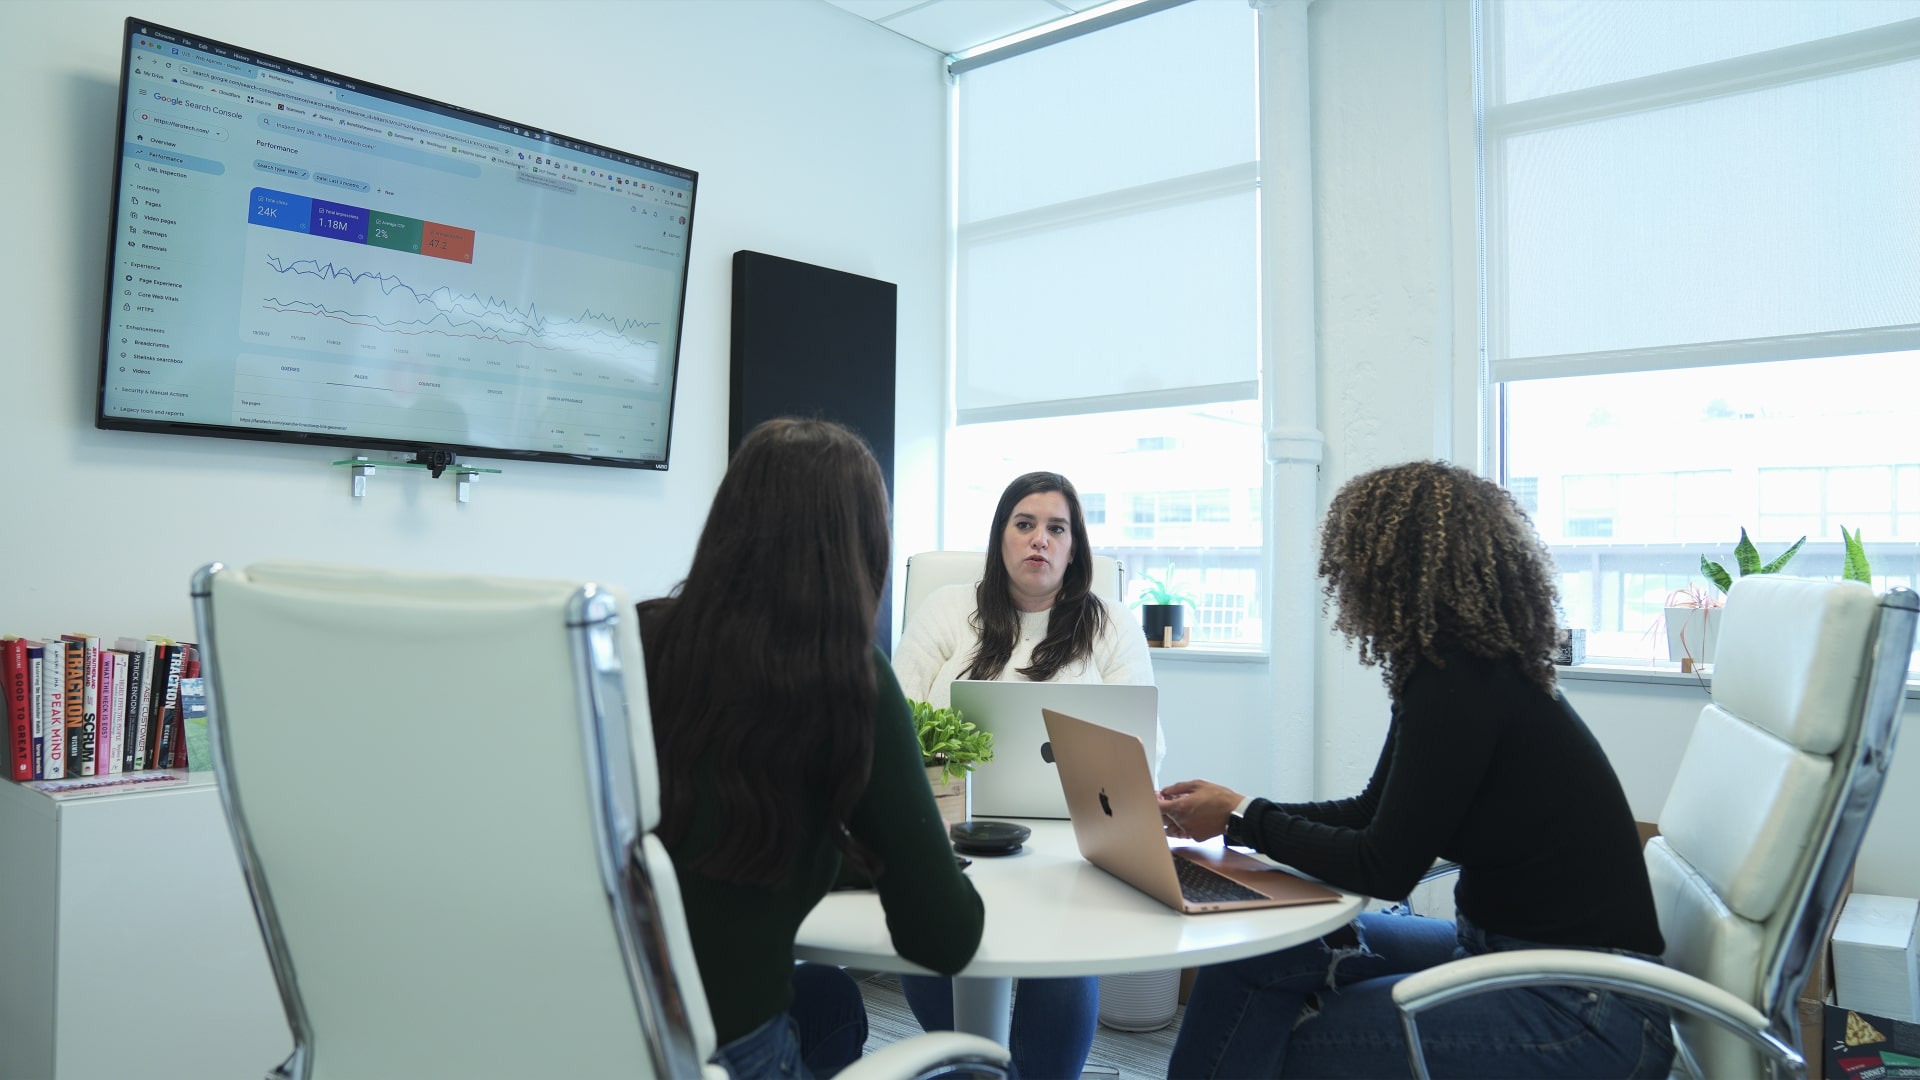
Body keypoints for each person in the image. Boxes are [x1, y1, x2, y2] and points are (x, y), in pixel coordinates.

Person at [1157, 461, 1675, 1080]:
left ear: (1394, 567)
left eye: (1352, 560)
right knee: (1248, 954)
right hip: (1500, 955)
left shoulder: (1464, 682)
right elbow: (1371, 812)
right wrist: (1233, 814)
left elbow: (1385, 866)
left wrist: (1244, 817)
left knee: (1291, 1042)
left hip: (1582, 1008)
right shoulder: (1450, 671)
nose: (1343, 579)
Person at [637, 418, 984, 1079]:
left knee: (831, 1001)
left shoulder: (637, 636)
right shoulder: (849, 678)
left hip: (597, 1032)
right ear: (861, 546)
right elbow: (943, 940)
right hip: (728, 1054)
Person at [892, 470, 1156, 1080]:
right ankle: (978, 1065)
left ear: (1074, 546)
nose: (1040, 540)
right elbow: (895, 720)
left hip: (1072, 840)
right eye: (1025, 524)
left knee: (1065, 947)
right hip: (950, 832)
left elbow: (1145, 746)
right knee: (920, 930)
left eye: (1056, 528)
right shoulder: (946, 610)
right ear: (1001, 537)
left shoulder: (1111, 624)